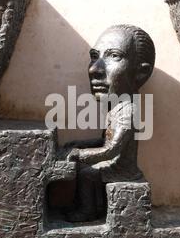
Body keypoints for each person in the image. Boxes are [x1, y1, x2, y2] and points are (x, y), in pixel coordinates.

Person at [63, 24, 155, 222]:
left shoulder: (128, 110)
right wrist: (81, 144)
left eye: (114, 56)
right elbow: (105, 139)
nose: (95, 69)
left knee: (87, 174)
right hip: (113, 162)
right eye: (95, 56)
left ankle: (87, 211)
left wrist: (81, 154)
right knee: (86, 172)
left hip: (123, 169)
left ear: (141, 73)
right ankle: (95, 208)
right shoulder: (116, 106)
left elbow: (112, 149)